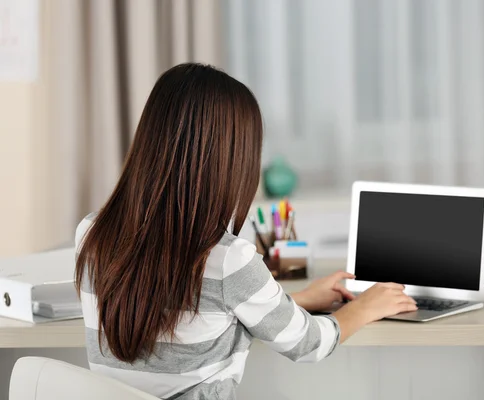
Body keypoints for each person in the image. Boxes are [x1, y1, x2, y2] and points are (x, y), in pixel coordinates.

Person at [75, 63, 417, 400]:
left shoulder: (91, 235)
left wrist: (294, 301)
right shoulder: (227, 259)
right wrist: (365, 307)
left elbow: (190, 321)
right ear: (231, 161)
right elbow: (308, 343)